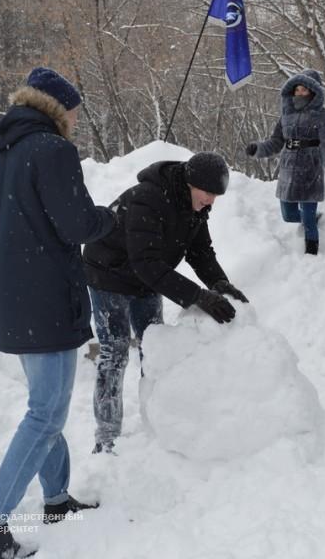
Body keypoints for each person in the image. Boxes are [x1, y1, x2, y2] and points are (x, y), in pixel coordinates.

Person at [0, 67, 116, 559]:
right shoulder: (54, 151)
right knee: (45, 412)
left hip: (15, 299)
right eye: (73, 109)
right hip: (47, 297)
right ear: (56, 107)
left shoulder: (3, 158)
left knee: (44, 407)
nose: (76, 118)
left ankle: (55, 498)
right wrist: (111, 217)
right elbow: (77, 225)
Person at [82, 152, 248, 453]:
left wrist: (219, 283)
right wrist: (198, 296)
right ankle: (106, 440)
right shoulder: (149, 199)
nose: (211, 201)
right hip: (109, 273)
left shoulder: (195, 207)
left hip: (146, 277)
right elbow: (146, 264)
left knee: (155, 349)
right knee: (115, 351)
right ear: (189, 183)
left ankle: (157, 423)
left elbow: (200, 252)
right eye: (208, 193)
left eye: (216, 196)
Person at [245, 69, 325, 255]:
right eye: (297, 89)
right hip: (288, 170)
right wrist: (257, 149)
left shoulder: (321, 115)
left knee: (307, 220)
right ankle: (314, 218)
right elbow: (275, 143)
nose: (299, 93)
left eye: (304, 90)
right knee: (288, 215)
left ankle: (312, 254)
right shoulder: (286, 114)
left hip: (310, 170)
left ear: (313, 92)